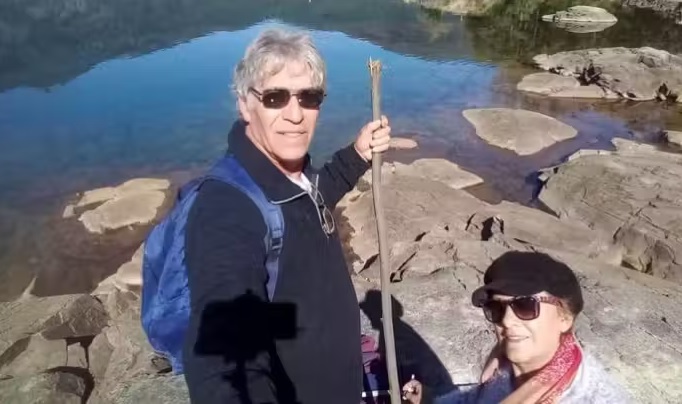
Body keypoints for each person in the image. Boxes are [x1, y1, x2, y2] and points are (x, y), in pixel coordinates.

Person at [182, 28, 391, 403]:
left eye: (308, 97)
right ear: (245, 105)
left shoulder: (291, 175)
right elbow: (223, 348)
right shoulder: (225, 208)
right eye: (275, 97)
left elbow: (315, 198)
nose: (295, 115)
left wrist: (357, 155)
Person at [402, 251, 631, 404]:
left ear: (565, 317)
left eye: (525, 305)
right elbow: (474, 400)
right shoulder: (503, 370)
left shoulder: (594, 398)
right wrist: (430, 399)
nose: (506, 320)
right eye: (496, 307)